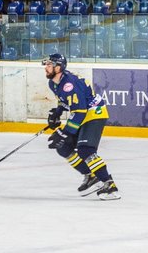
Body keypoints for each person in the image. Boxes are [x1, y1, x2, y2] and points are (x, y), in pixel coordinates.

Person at [43, 53, 119, 199]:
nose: (46, 68)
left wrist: (66, 132)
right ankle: (91, 176)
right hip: (82, 115)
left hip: (94, 114)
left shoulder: (69, 84)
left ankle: (109, 185)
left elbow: (80, 111)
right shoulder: (53, 83)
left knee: (85, 150)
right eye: (46, 65)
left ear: (58, 67)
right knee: (63, 147)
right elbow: (65, 101)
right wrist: (57, 113)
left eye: (49, 65)